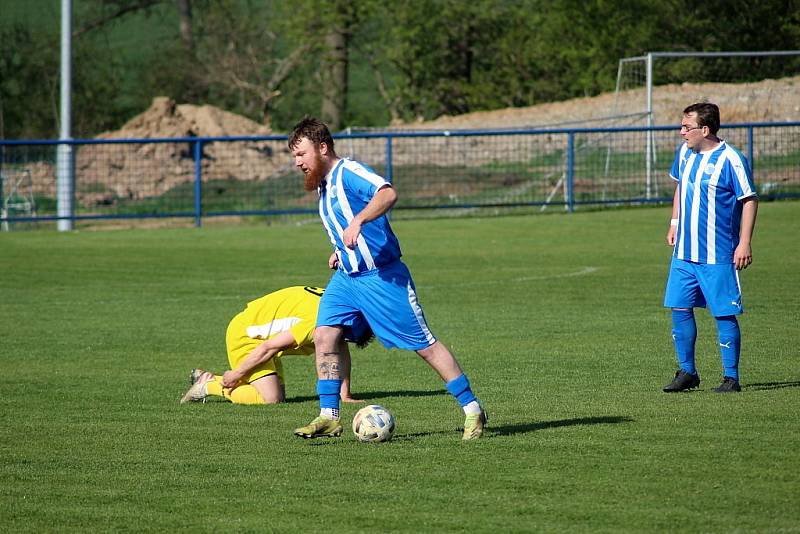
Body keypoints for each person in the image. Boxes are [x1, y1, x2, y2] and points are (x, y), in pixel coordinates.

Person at [287, 117, 486, 441]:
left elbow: (387, 193)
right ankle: (329, 416)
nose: (298, 163)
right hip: (347, 279)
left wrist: (359, 221)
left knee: (425, 346)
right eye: (295, 157)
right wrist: (340, 251)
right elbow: (345, 229)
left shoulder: (347, 173)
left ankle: (473, 410)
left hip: (383, 278)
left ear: (323, 148)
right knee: (324, 335)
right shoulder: (323, 186)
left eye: (301, 154)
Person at [662, 102, 758, 393]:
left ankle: (731, 378)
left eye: (686, 127)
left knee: (723, 313)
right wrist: (675, 222)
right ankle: (687, 372)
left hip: (718, 254)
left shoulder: (731, 159)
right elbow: (679, 185)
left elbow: (749, 200)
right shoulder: (685, 154)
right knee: (679, 307)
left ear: (705, 129)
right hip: (684, 253)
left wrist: (744, 242)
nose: (681, 133)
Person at [180, 285, 372, 405]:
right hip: (247, 335)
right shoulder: (318, 322)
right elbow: (268, 347)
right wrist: (236, 374)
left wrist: (345, 395)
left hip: (263, 333)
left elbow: (340, 350)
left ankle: (229, 379)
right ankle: (209, 384)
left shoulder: (338, 305)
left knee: (278, 395)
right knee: (270, 399)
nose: (344, 342)